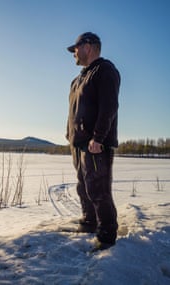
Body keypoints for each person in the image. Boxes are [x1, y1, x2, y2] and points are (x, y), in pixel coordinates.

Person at [66, 32, 120, 250]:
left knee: (99, 190)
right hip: (78, 143)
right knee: (84, 187)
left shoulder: (104, 70)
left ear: (88, 46)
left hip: (95, 144)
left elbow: (109, 107)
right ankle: (89, 222)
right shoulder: (78, 79)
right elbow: (73, 111)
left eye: (76, 48)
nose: (74, 54)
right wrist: (69, 135)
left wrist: (98, 138)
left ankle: (107, 235)